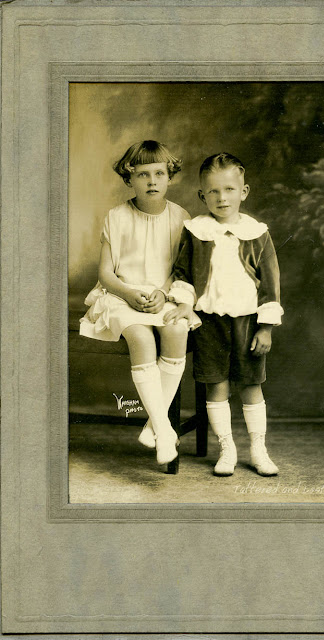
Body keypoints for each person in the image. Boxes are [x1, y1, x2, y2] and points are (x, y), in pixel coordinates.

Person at [79, 140, 199, 467]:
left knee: (177, 329)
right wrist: (129, 293)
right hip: (120, 296)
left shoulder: (181, 217)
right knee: (142, 338)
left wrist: (163, 292)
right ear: (129, 178)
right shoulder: (117, 217)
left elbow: (181, 270)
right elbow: (106, 274)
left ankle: (152, 426)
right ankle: (164, 429)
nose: (151, 181)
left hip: (164, 295)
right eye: (143, 174)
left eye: (159, 173)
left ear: (169, 177)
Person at [165, 152, 283, 476]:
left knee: (250, 385)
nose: (222, 198)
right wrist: (184, 303)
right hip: (209, 321)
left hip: (248, 322)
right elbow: (183, 272)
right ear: (202, 195)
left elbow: (270, 283)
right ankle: (226, 448)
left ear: (243, 192)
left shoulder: (257, 233)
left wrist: (266, 327)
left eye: (229, 189)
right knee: (216, 385)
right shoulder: (196, 231)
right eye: (213, 191)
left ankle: (258, 449)